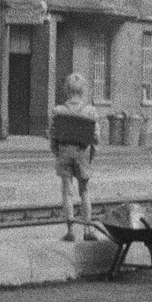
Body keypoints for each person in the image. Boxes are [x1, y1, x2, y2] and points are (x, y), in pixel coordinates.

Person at [49, 72, 99, 243]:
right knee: (84, 191)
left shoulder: (58, 111)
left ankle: (70, 230)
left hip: (64, 152)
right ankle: (88, 229)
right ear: (83, 90)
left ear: (66, 90)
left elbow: (53, 136)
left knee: (67, 191)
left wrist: (56, 151)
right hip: (83, 153)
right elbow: (96, 138)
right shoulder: (91, 111)